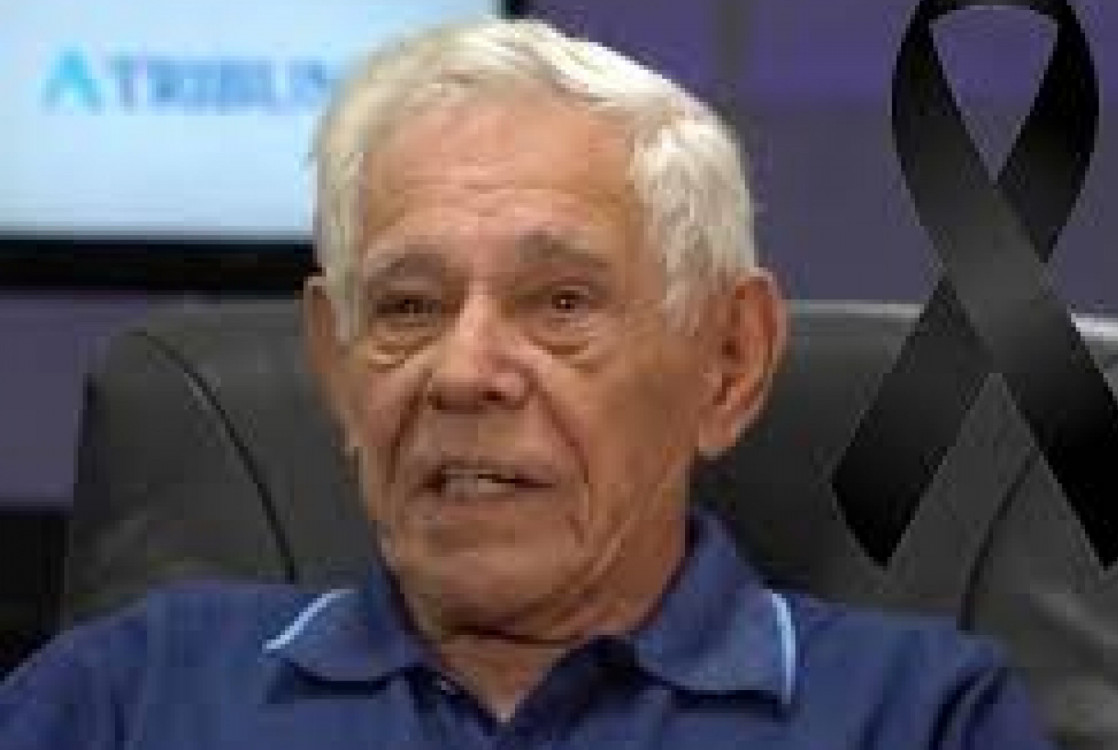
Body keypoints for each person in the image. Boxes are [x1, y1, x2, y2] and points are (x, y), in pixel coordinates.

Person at [0, 18, 1057, 749]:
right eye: (408, 306)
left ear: (729, 363)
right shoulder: (131, 694)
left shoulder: (919, 717)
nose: (464, 372)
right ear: (335, 364)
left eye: (560, 303)